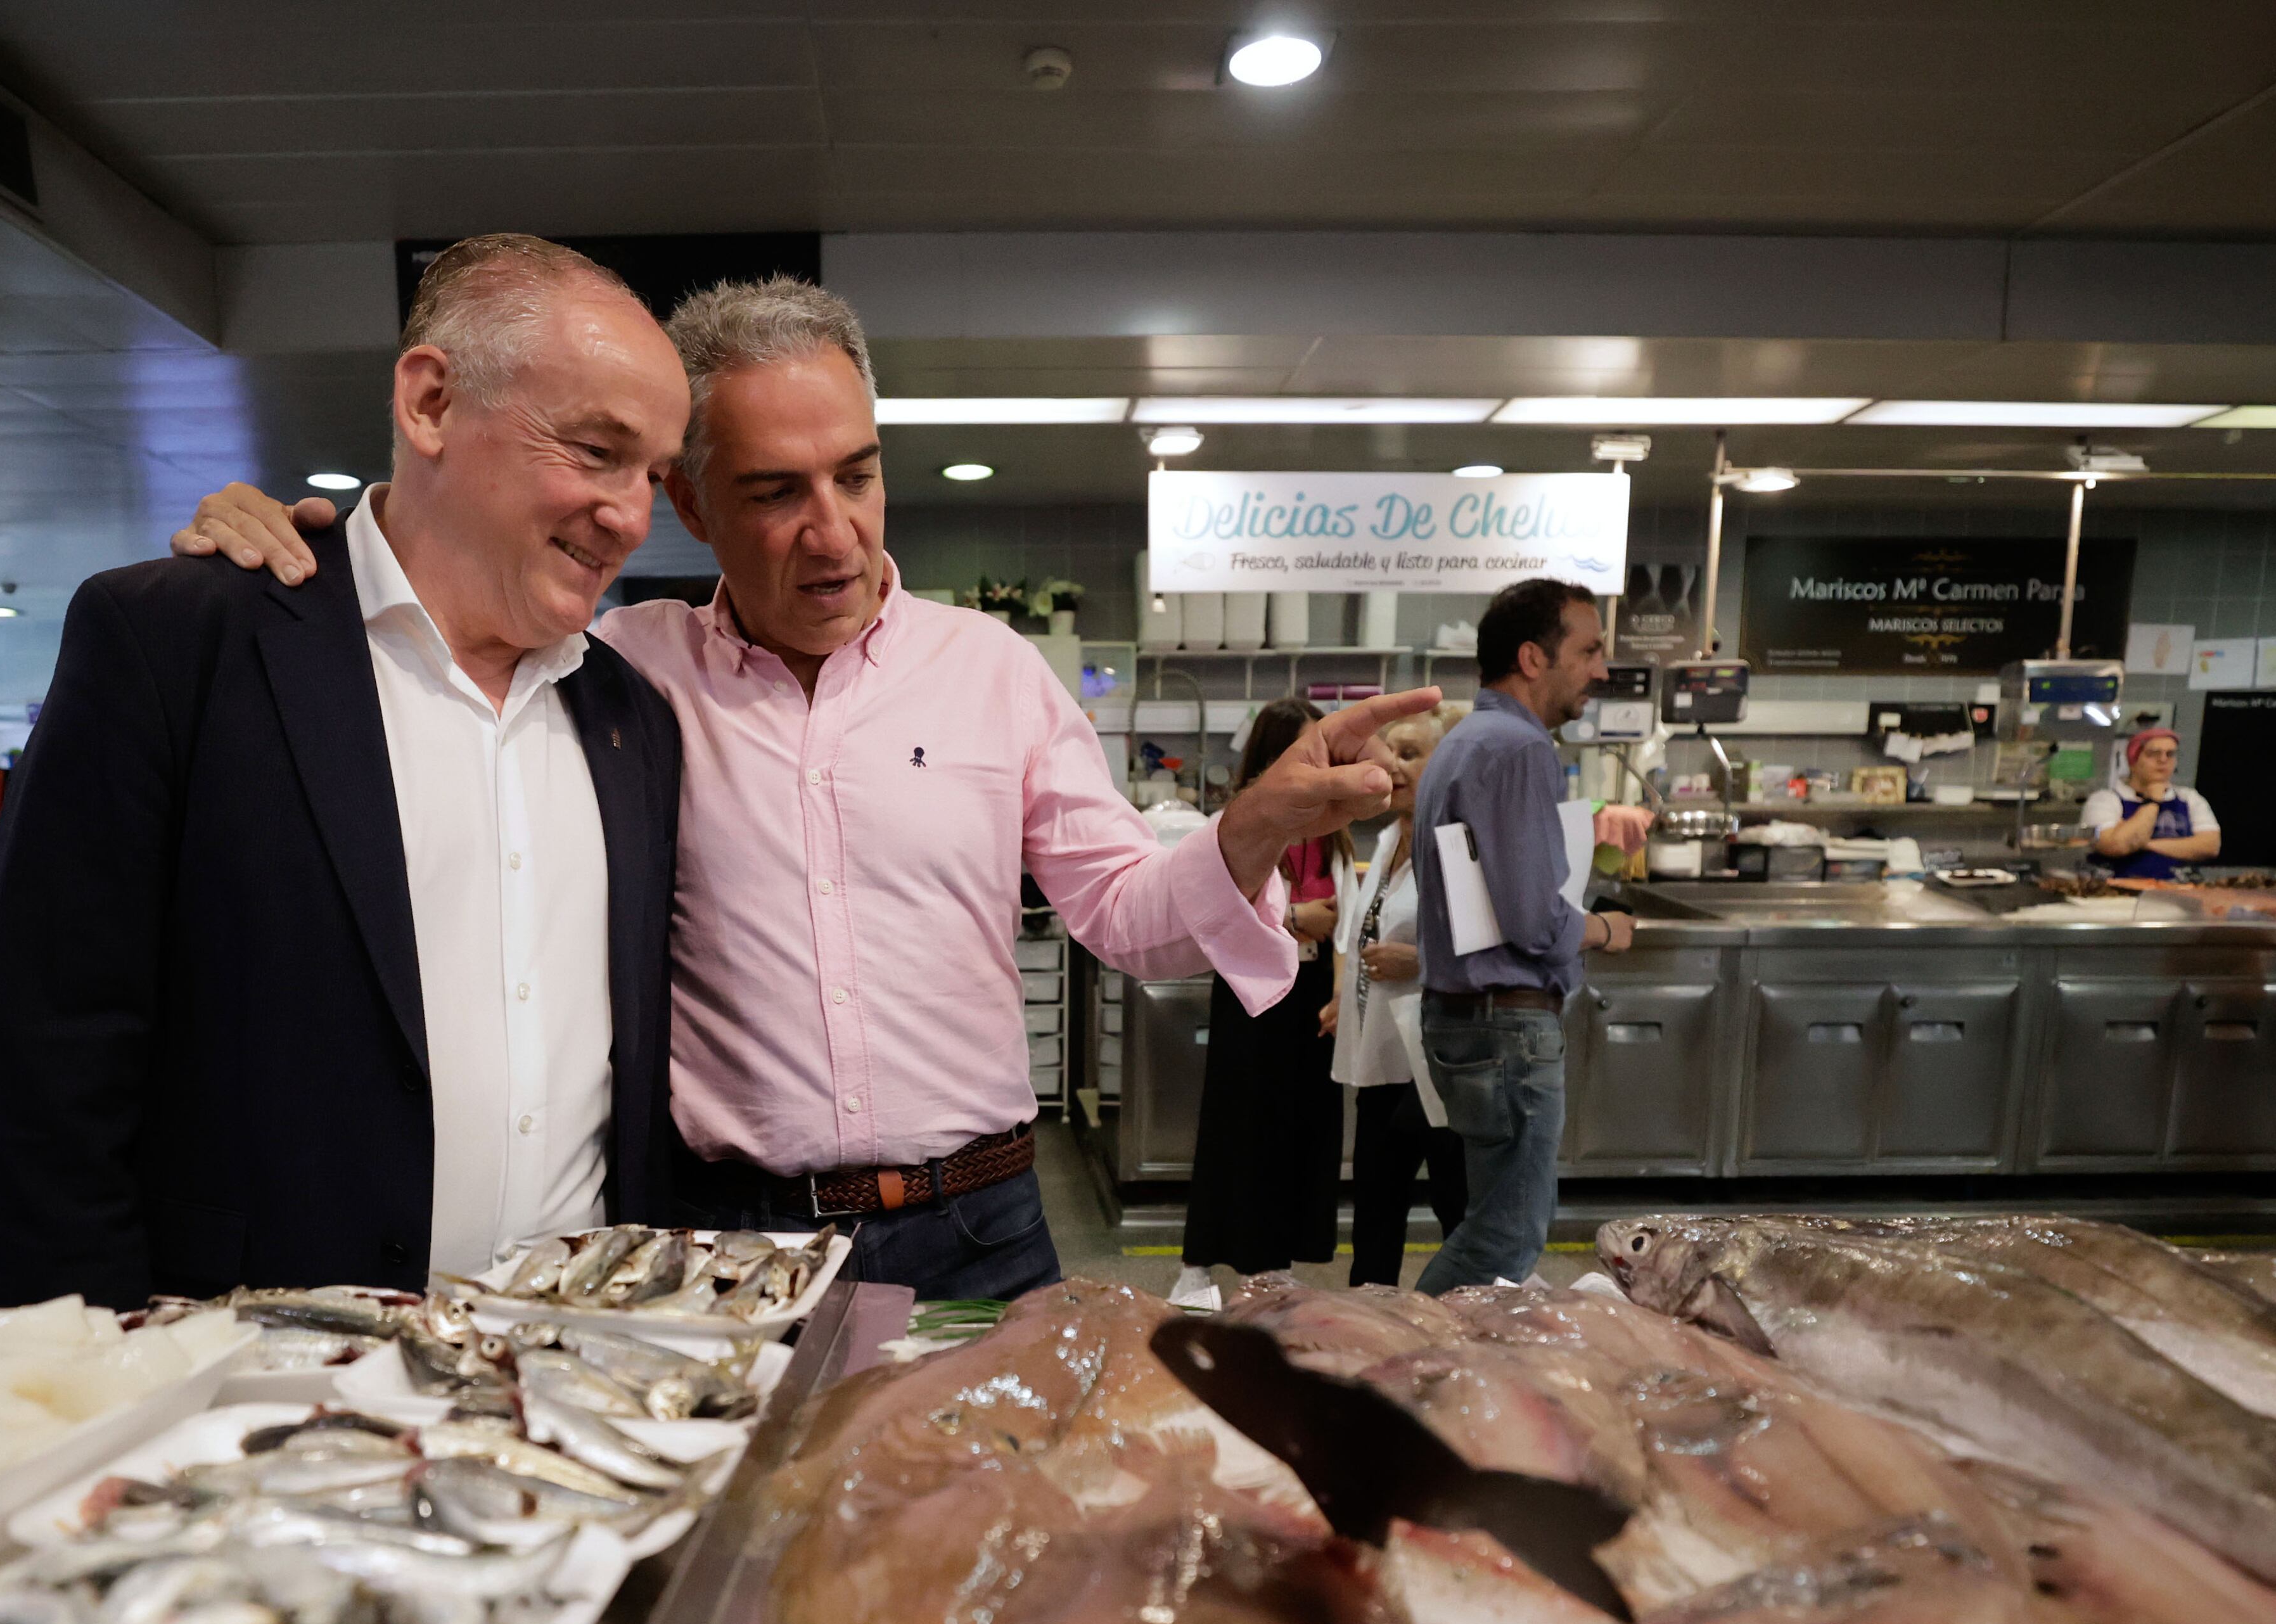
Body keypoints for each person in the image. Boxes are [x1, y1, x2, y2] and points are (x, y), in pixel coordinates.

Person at [174, 278, 1432, 1300]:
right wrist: (300, 557)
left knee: (990, 1574)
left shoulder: (990, 673)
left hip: (983, 1226)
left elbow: (1120, 906)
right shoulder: (611, 677)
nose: (833, 530)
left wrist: (1253, 824)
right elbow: (436, 635)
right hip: (731, 1246)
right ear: (688, 502)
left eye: (856, 473)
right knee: (750, 1581)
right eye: (776, 491)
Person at [0, 235, 691, 1306]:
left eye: (654, 476)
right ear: (432, 401)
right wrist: (97, 1389)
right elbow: (42, 1077)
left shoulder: (631, 721)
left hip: (571, 1384)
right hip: (255, 1391)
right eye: (595, 450)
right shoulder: (180, 644)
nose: (633, 515)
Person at [1410, 580, 1637, 1296]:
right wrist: (1602, 928)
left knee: (1488, 1220)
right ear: (1532, 658)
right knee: (1503, 1237)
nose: (1601, 668)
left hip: (1465, 1019)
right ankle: (1400, 1369)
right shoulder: (1517, 747)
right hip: (1505, 1025)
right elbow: (1533, 919)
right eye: (1589, 649)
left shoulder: (1464, 740)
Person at [1172, 696, 1348, 1304]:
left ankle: (1274, 1259)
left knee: (1300, 1127)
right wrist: (1300, 916)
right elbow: (1217, 907)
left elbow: (1346, 913)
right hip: (1252, 991)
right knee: (1236, 1122)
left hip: (1313, 993)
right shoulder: (1246, 821)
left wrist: (1339, 990)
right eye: (1304, 748)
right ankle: (1200, 1260)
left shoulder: (1331, 826)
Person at [1324, 708, 1466, 1287]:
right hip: (1382, 1058)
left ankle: (1477, 1345)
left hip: (1439, 1065)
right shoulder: (1386, 839)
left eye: (1410, 753)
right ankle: (1369, 1337)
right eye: (1389, 752)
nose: (1391, 766)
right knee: (1376, 1217)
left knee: (1459, 1213)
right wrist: (1348, 996)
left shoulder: (1459, 844)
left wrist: (1422, 962)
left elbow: (1497, 949)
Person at [2081, 726, 2221, 879]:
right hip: (2116, 895)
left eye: (2170, 754)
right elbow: (2115, 846)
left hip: (2179, 892)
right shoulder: (2104, 800)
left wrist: (2143, 842)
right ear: (2133, 761)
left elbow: (2210, 846)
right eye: (2153, 753)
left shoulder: (2190, 798)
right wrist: (2153, 801)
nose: (2163, 760)